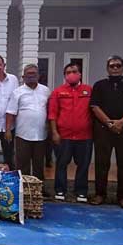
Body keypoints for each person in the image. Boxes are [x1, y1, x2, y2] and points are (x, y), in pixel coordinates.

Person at [89, 55, 123, 208]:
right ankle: (100, 194)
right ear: (107, 68)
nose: (115, 68)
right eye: (112, 66)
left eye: (118, 66)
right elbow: (94, 106)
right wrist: (109, 123)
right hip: (103, 130)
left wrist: (121, 122)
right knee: (101, 163)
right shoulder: (99, 85)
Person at [48, 63, 93, 202]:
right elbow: (52, 114)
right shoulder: (58, 92)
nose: (71, 74)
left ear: (80, 74)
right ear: (65, 75)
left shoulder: (89, 90)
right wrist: (54, 133)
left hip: (84, 136)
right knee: (61, 163)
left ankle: (81, 191)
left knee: (83, 164)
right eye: (68, 72)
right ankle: (60, 190)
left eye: (74, 71)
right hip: (64, 136)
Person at [5, 64, 50, 181]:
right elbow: (10, 112)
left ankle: (38, 189)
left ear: (38, 76)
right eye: (28, 74)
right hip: (23, 134)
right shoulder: (17, 92)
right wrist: (8, 130)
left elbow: (50, 110)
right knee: (22, 164)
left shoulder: (46, 91)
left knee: (39, 164)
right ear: (23, 77)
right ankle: (23, 188)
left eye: (33, 74)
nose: (31, 77)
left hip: (41, 134)